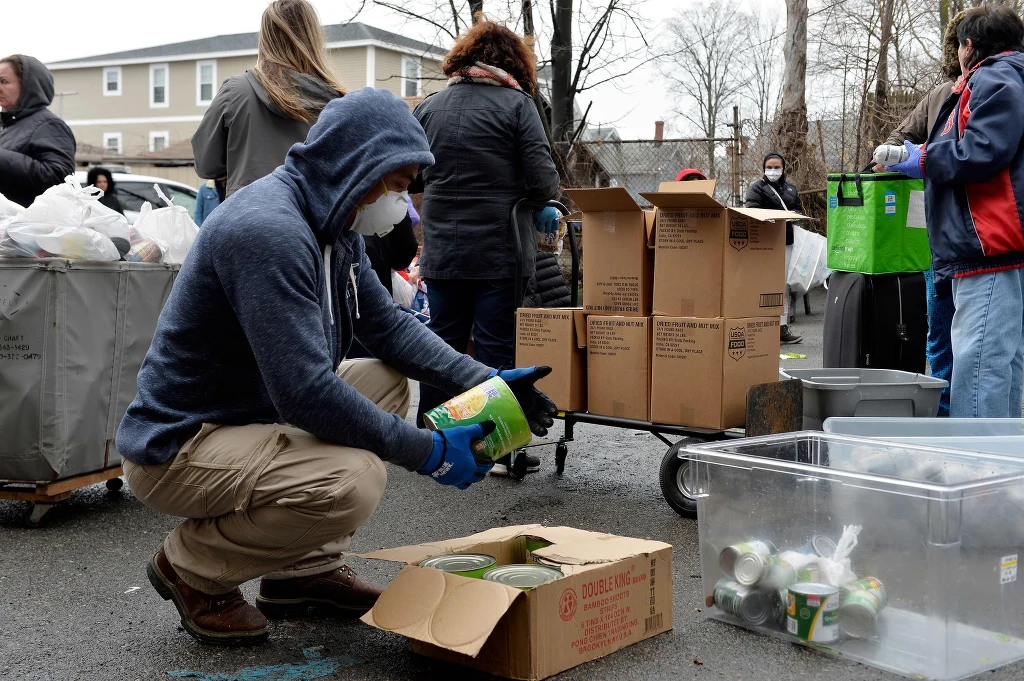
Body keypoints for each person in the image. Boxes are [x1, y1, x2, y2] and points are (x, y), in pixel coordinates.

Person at [115, 89, 557, 646]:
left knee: (384, 381)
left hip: (248, 411)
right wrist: (429, 451)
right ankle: (192, 567)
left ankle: (303, 572)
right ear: (359, 165)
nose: (403, 205)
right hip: (182, 445)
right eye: (398, 186)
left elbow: (388, 327)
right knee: (351, 479)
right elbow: (305, 393)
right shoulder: (268, 231)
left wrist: (483, 379)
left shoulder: (333, 225)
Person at [412, 21, 561, 436]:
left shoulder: (429, 108)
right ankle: (494, 445)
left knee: (441, 347)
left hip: (442, 250)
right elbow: (543, 181)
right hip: (500, 251)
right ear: (514, 62)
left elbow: (413, 178)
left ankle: (433, 440)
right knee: (496, 348)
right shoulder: (518, 105)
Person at [887, 5, 1024, 418]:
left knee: (979, 365)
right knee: (1003, 363)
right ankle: (1000, 455)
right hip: (998, 246)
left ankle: (976, 457)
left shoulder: (994, 78)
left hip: (988, 246)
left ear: (968, 44)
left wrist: (921, 158)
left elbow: (982, 150)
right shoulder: (1002, 78)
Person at [875, 11, 965, 416]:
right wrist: (897, 160)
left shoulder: (997, 89)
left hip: (981, 235)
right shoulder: (940, 95)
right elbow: (896, 139)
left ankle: (963, 413)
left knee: (971, 336)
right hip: (941, 231)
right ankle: (944, 411)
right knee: (941, 327)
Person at [192, 0, 345, 197]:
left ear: (265, 37)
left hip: (249, 210)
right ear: (314, 36)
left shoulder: (236, 92)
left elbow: (206, 165)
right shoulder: (339, 103)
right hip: (313, 214)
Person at [0, 55, 76, 208]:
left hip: (31, 221)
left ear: (28, 86)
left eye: (4, 81)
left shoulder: (49, 124)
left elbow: (60, 179)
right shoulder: (9, 126)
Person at [744, 152, 804, 344]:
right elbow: (751, 211)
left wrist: (794, 216)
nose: (773, 171)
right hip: (764, 243)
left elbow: (798, 209)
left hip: (785, 240)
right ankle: (759, 327)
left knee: (782, 285)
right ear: (763, 168)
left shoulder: (791, 189)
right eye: (769, 167)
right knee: (762, 284)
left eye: (776, 167)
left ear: (783, 168)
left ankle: (781, 327)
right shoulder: (756, 188)